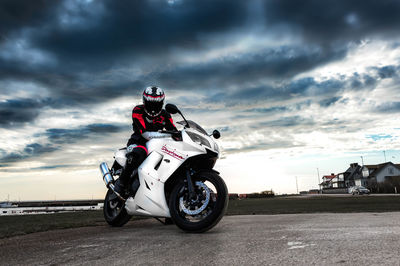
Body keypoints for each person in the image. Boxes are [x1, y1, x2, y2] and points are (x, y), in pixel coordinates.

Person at [114, 86, 177, 197]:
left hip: (158, 144)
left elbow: (173, 130)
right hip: (138, 141)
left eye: (156, 104)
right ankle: (121, 183)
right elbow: (145, 133)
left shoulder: (165, 115)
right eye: (150, 103)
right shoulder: (138, 110)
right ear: (144, 101)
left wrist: (180, 134)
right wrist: (168, 134)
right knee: (139, 152)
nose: (153, 107)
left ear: (161, 103)